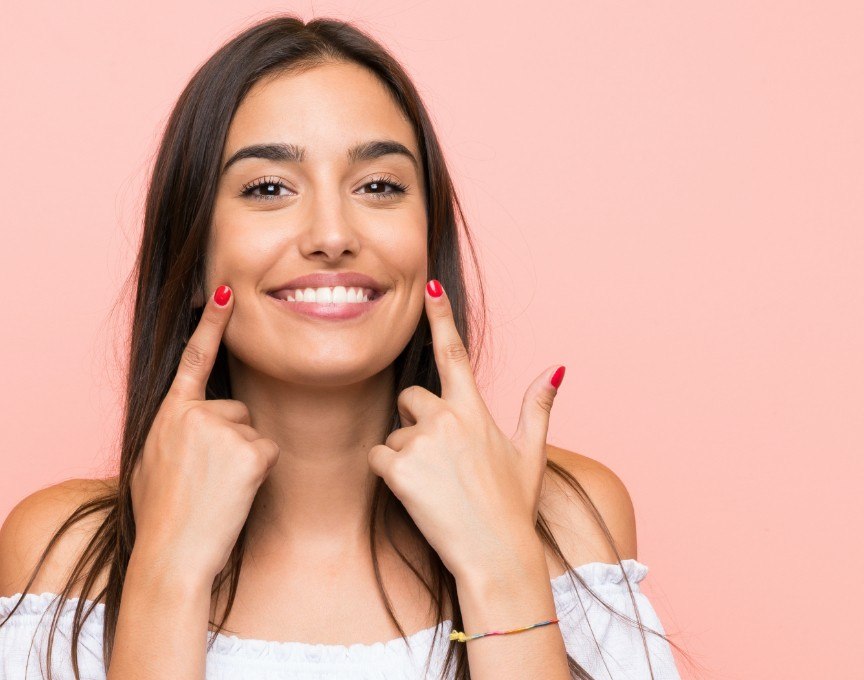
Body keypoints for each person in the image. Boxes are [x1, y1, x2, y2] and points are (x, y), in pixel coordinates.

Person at [0, 14, 686, 680]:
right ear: (194, 252)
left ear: (428, 242)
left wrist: (501, 568)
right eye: (268, 188)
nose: (332, 233)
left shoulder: (565, 518)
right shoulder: (62, 554)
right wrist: (166, 579)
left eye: (379, 186)